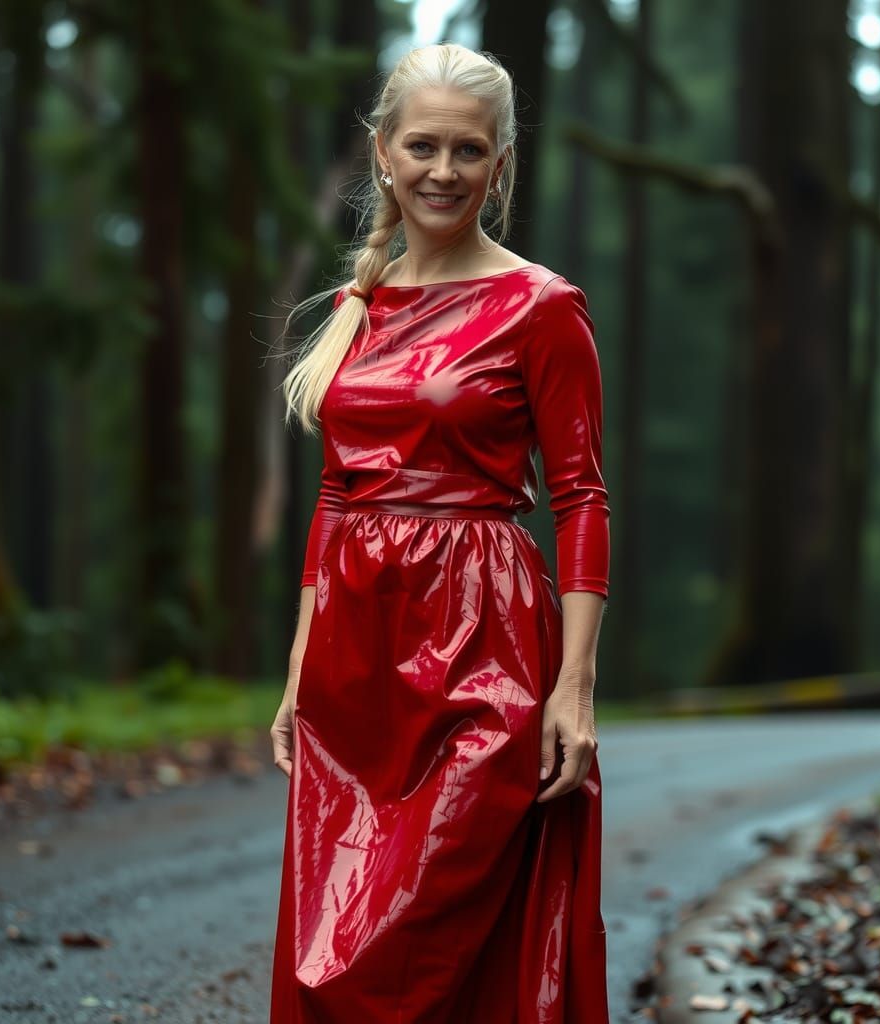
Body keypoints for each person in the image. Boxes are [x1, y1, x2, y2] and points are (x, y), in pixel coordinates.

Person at [268, 41, 610, 1024]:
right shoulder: (358, 305)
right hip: (354, 650)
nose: (444, 171)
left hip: (482, 638)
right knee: (338, 917)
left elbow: (582, 496)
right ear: (383, 152)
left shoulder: (542, 308)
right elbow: (337, 493)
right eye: (423, 146)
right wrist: (299, 663)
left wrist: (574, 686)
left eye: (469, 150)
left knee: (426, 919)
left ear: (501, 164)